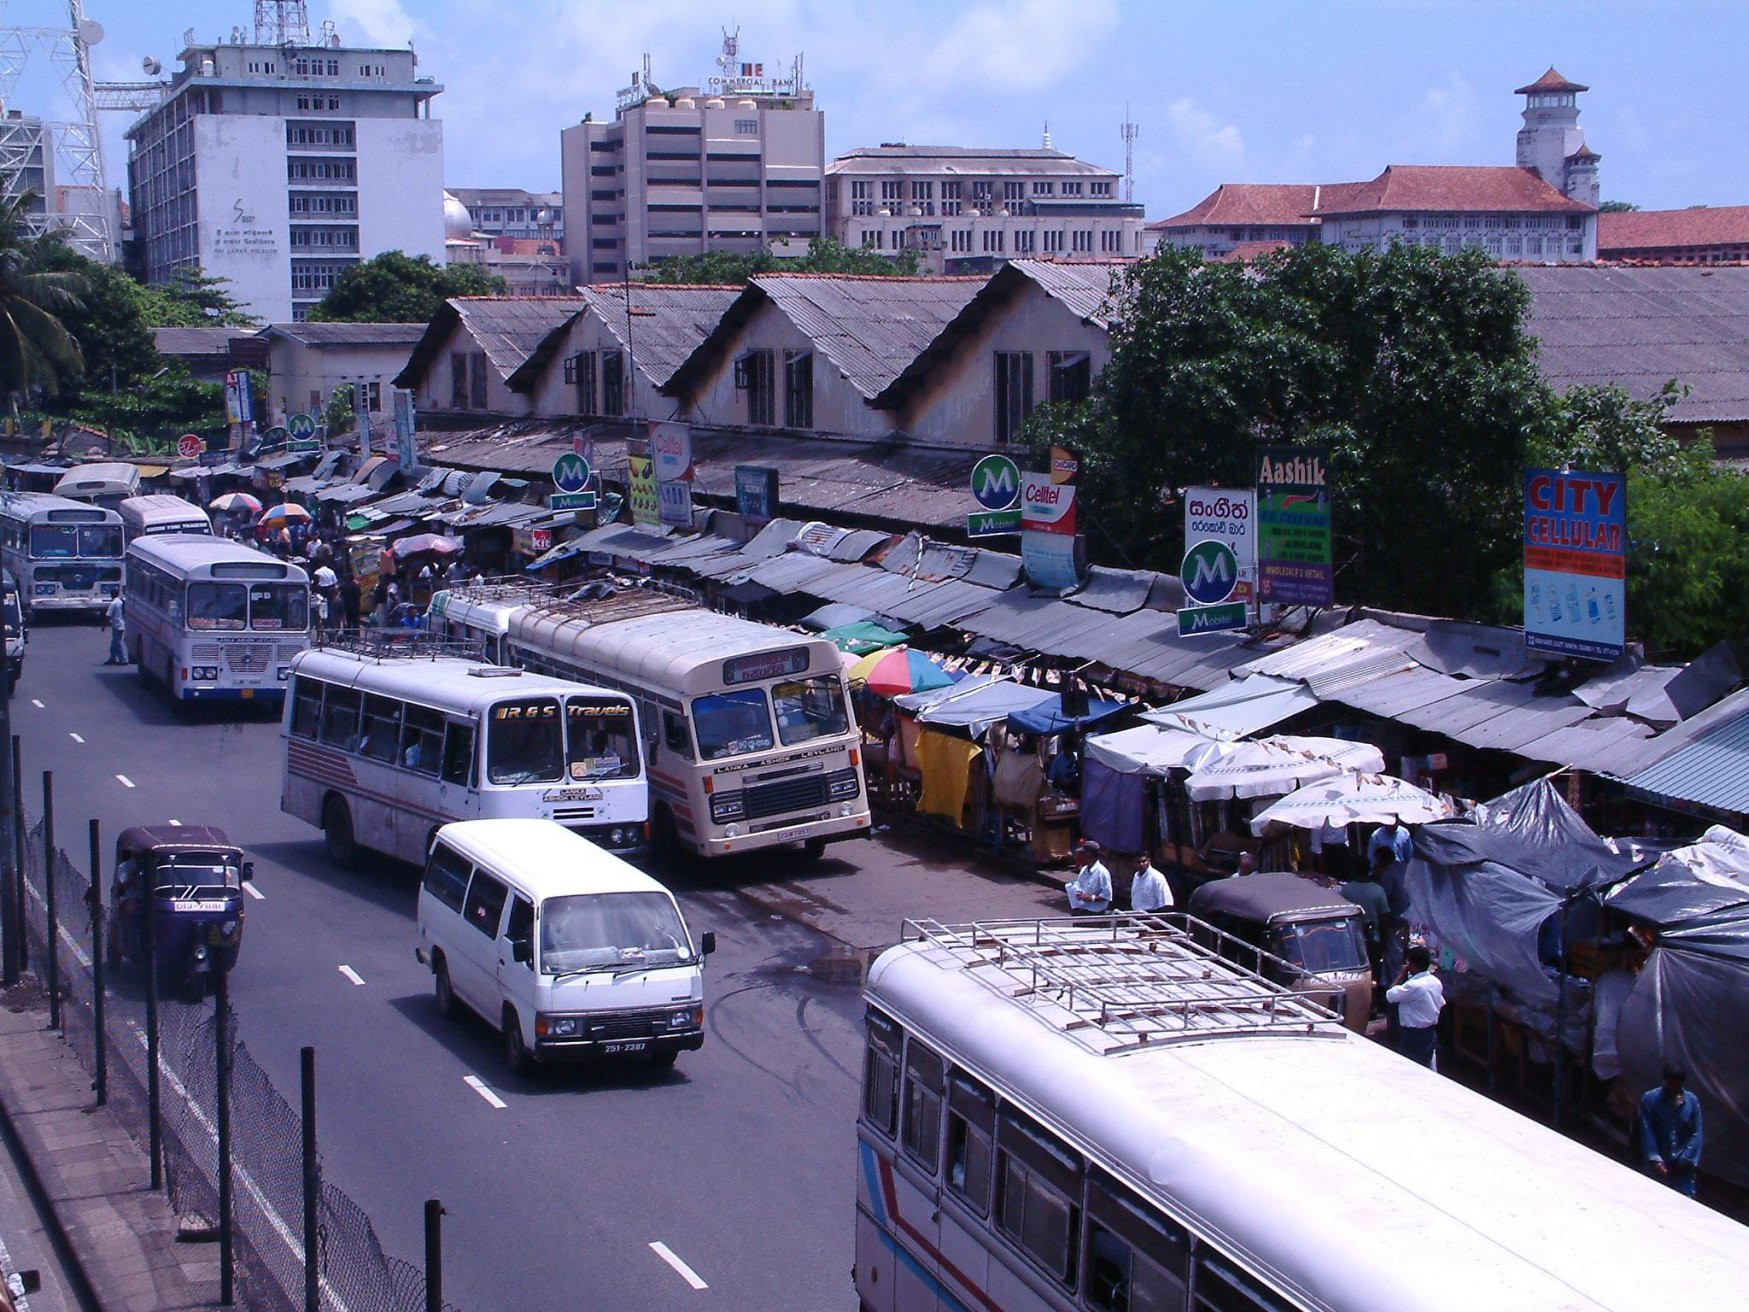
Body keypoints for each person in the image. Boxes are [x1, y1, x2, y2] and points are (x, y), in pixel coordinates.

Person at [1638, 1066, 1703, 1196]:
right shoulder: (1650, 1099)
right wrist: (1655, 1159)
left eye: (1676, 1085)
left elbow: (1697, 1133)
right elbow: (1647, 1130)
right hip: (1658, 1163)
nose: (1672, 1088)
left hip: (1683, 1166)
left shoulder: (1692, 1101)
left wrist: (1686, 1158)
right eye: (1669, 1083)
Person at [1386, 943, 1445, 1068]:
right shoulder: (1436, 982)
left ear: (1412, 965)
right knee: (1428, 1066)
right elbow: (1441, 1002)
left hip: (1413, 1035)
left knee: (1410, 1069)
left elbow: (1390, 995)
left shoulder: (1412, 986)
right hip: (1429, 1032)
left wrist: (1401, 975)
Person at [1064, 840, 1112, 915]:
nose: (1079, 855)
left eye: (1082, 853)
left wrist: (1091, 898)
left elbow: (1107, 896)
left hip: (1094, 914)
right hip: (1081, 911)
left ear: (1089, 854)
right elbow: (1079, 888)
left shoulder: (1102, 872)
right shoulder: (1083, 869)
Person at [102, 592, 127, 665]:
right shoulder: (121, 601)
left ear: (111, 595)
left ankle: (123, 659)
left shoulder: (113, 603)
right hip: (122, 624)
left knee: (118, 643)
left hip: (117, 625)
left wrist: (104, 626)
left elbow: (108, 616)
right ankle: (112, 658)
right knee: (114, 643)